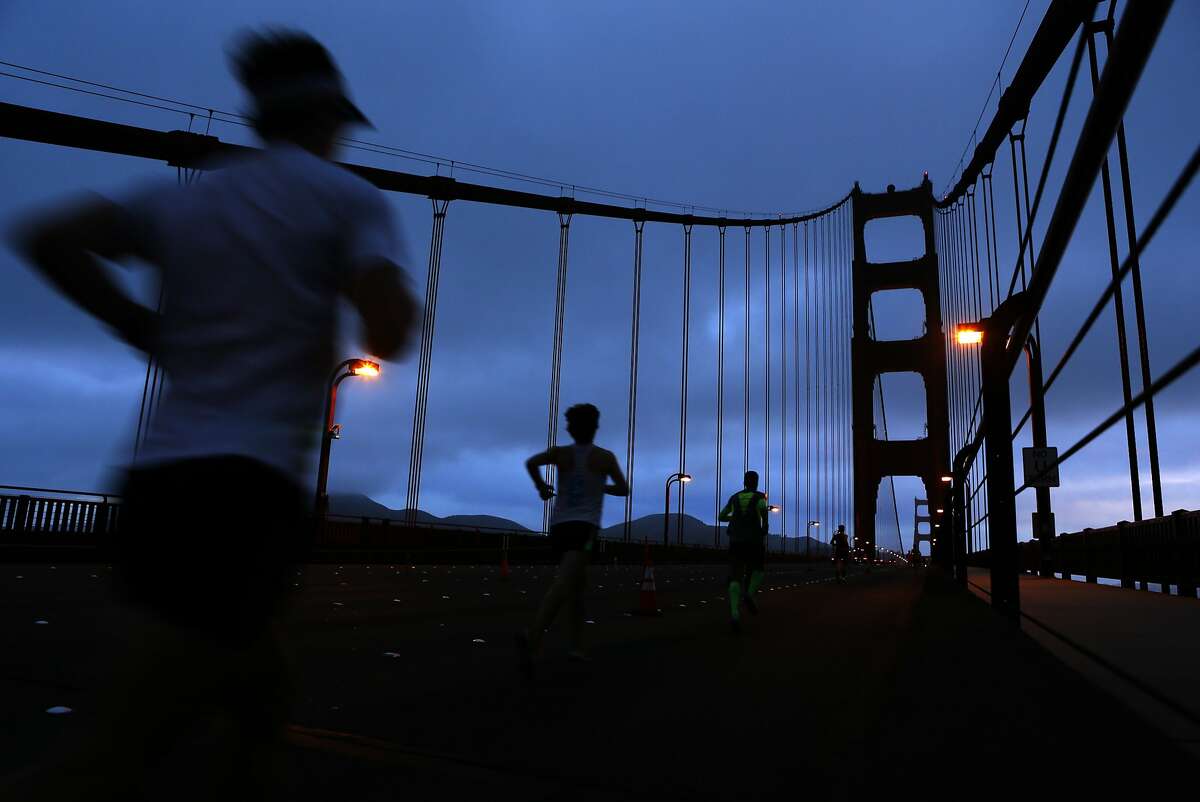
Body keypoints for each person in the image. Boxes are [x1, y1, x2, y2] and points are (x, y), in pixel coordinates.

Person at [4, 30, 417, 799]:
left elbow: (46, 238)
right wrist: (385, 308)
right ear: (329, 116)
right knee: (114, 756)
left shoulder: (186, 199)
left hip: (154, 485)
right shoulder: (349, 200)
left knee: (261, 702)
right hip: (245, 495)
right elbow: (389, 331)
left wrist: (136, 326)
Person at [517, 403, 627, 677]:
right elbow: (623, 489)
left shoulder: (561, 453)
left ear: (573, 426)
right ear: (595, 426)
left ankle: (576, 646)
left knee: (577, 587)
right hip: (585, 528)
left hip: (560, 527)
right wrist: (601, 486)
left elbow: (531, 463)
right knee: (566, 583)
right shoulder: (605, 457)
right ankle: (533, 636)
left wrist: (541, 487)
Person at [718, 470, 769, 633]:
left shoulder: (734, 497)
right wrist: (763, 528)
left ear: (744, 482)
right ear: (756, 482)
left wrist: (733, 518)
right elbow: (764, 519)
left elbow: (721, 516)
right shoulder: (760, 497)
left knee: (735, 575)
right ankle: (750, 593)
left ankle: (734, 613)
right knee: (759, 569)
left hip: (736, 541)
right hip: (753, 541)